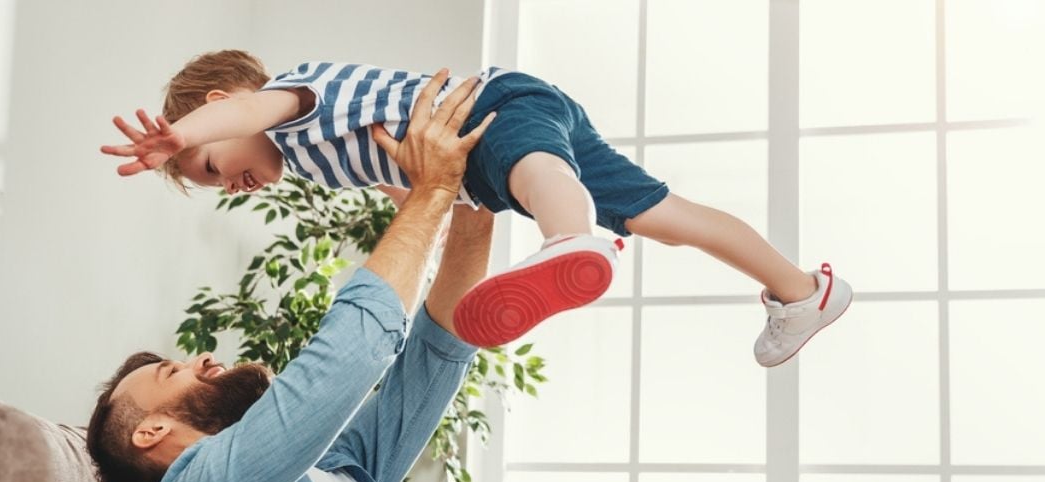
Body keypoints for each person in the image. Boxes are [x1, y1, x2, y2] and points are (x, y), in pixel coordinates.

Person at [101, 51, 851, 366]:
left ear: (222, 105)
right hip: (482, 162)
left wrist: (176, 138)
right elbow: (408, 187)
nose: (226, 181)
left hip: (491, 106)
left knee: (536, 171)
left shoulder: (292, 99)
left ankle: (570, 240)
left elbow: (247, 111)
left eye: (208, 167)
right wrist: (424, 222)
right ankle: (801, 289)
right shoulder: (313, 160)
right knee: (666, 218)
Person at [87, 72, 492, 482]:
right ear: (150, 431)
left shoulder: (329, 470)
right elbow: (351, 352)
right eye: (172, 371)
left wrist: (476, 193)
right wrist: (430, 193)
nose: (203, 357)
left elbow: (437, 355)